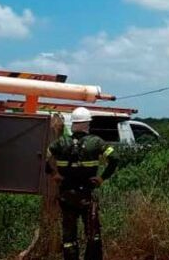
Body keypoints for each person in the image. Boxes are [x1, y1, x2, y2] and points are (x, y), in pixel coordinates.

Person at [47, 107, 119, 260]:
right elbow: (115, 158)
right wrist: (101, 178)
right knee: (93, 233)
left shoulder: (60, 142)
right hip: (87, 195)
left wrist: (55, 174)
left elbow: (43, 157)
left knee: (69, 237)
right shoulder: (96, 142)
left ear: (73, 124)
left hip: (66, 196)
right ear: (87, 124)